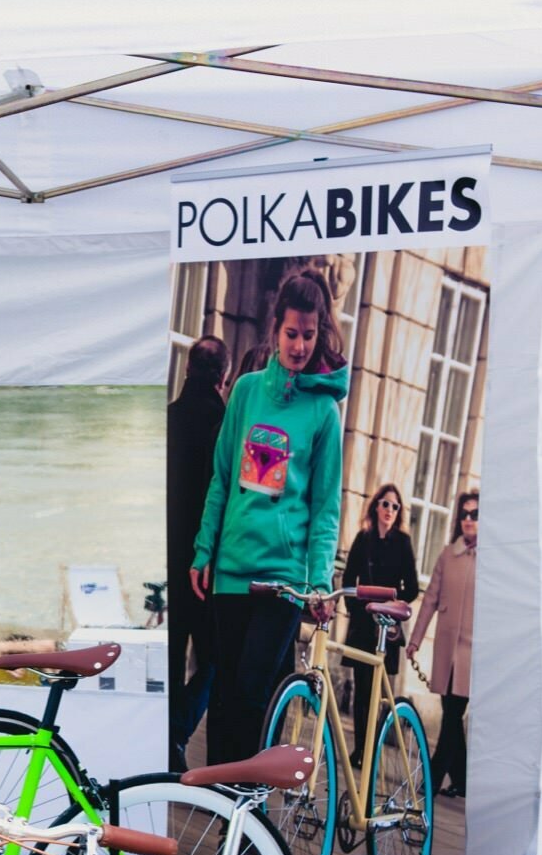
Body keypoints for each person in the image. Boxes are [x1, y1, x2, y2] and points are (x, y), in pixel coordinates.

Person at [190, 268, 348, 766]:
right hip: (232, 569)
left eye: (309, 334)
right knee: (223, 699)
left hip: (283, 580)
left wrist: (319, 580)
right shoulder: (246, 392)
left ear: (320, 332)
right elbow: (221, 477)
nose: (300, 346)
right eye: (291, 333)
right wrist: (204, 549)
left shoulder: (324, 414)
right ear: (275, 328)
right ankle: (223, 813)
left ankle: (248, 813)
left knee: (254, 695)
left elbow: (325, 509)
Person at [167, 335, 230, 770]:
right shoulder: (224, 427)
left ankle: (167, 739)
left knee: (170, 660)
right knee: (213, 661)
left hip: (165, 561)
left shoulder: (167, 418)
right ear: (224, 377)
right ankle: (177, 731)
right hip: (205, 565)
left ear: (188, 369)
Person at [341, 483, 419, 764]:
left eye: (395, 506)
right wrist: (356, 609)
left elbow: (411, 588)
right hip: (364, 625)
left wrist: (392, 604)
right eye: (385, 504)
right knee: (361, 691)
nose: (389, 510)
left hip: (387, 625)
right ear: (376, 506)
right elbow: (349, 579)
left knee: (379, 690)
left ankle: (371, 749)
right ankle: (360, 748)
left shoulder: (403, 543)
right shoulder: (364, 539)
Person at [407, 489, 478, 798]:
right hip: (447, 649)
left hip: (473, 653)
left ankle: (433, 779)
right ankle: (461, 780)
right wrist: (415, 640)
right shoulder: (448, 555)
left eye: (475, 514)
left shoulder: (493, 560)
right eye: (464, 514)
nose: (468, 520)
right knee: (451, 711)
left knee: (452, 713)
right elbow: (429, 601)